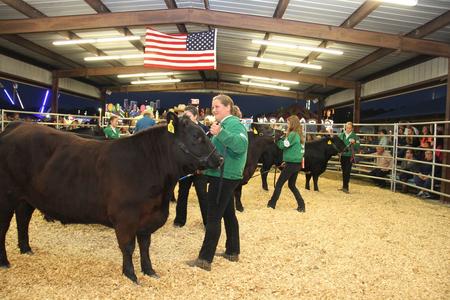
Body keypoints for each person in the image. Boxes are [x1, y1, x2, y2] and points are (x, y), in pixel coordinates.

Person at [187, 94, 248, 271]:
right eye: (213, 107)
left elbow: (241, 146)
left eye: (217, 107)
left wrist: (221, 133)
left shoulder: (234, 124)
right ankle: (232, 251)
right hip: (222, 175)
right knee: (228, 214)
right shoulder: (224, 125)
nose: (213, 110)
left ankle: (205, 259)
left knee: (213, 217)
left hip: (225, 177)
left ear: (228, 107)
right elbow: (215, 151)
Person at [173, 105, 209, 227]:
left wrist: (202, 168)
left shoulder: (204, 129)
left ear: (195, 116)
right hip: (186, 168)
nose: (185, 119)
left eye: (188, 116)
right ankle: (179, 220)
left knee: (203, 195)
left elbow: (208, 150)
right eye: (184, 116)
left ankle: (207, 222)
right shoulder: (181, 131)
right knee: (182, 193)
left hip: (200, 169)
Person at [266, 115, 306, 212]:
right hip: (296, 164)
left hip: (292, 164)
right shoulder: (300, 135)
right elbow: (296, 150)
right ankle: (301, 205)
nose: (287, 125)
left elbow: (284, 145)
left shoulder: (292, 134)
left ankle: (272, 203)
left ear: (292, 124)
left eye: (288, 123)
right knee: (291, 185)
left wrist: (278, 140)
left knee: (279, 184)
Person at [338, 122, 360, 193]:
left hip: (349, 156)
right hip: (342, 156)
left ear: (352, 128)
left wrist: (355, 143)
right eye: (347, 127)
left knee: (347, 171)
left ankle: (346, 187)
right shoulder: (341, 135)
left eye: (350, 128)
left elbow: (358, 147)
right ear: (345, 128)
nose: (348, 129)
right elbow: (337, 144)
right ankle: (344, 186)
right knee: (344, 171)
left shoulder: (354, 136)